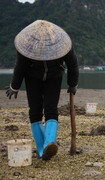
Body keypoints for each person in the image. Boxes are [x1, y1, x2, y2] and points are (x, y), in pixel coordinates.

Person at [5, 20, 79, 160]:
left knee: (51, 108)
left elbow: (73, 64)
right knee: (35, 110)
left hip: (54, 77)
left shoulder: (63, 45)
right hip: (32, 77)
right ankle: (41, 150)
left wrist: (72, 84)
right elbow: (20, 66)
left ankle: (49, 143)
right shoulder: (27, 46)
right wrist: (14, 86)